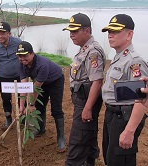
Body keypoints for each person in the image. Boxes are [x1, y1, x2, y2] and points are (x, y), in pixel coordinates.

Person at [101, 14, 148, 166]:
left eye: (115, 31)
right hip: (112, 115)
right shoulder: (119, 57)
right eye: (109, 31)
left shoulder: (135, 62)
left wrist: (129, 131)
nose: (110, 35)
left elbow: (142, 99)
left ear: (129, 34)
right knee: (110, 158)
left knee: (120, 161)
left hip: (124, 117)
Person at [62, 13, 106, 166]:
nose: (71, 35)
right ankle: (90, 161)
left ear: (87, 31)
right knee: (89, 135)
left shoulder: (93, 51)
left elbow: (97, 81)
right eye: (70, 31)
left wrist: (87, 108)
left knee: (78, 140)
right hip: (82, 98)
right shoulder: (84, 49)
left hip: (87, 100)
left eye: (75, 31)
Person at [17, 41, 66, 153]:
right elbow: (24, 85)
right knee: (40, 106)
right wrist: (21, 105)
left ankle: (61, 138)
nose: (22, 58)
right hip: (40, 83)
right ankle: (41, 129)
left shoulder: (42, 64)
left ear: (32, 54)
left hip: (55, 81)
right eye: (20, 56)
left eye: (25, 55)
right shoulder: (21, 65)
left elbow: (35, 88)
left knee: (56, 110)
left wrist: (30, 105)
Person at [0, 22, 22, 130]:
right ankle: (8, 120)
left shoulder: (18, 43)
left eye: (3, 33)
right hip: (3, 77)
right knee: (6, 99)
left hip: (19, 76)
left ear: (9, 34)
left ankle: (23, 119)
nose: (0, 36)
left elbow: (25, 58)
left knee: (22, 98)